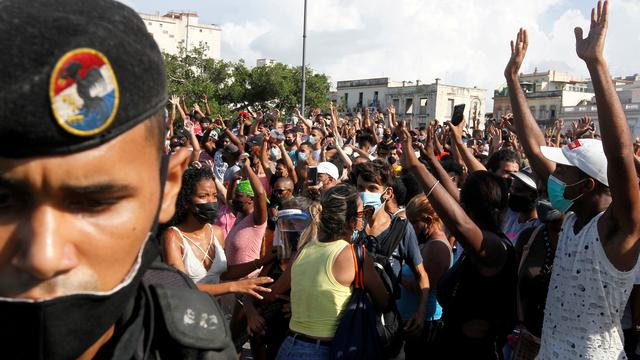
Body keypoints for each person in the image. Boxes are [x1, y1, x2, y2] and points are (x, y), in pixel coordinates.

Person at [0, 0, 237, 358]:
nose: (44, 256)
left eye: (96, 203)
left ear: (168, 187)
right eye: (3, 202)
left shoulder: (191, 345)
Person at [504, 2, 640, 357]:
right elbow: (535, 149)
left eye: (564, 170)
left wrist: (596, 63)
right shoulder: (570, 220)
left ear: (588, 185)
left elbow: (621, 156)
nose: (552, 175)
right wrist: (513, 81)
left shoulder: (619, 230)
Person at [402, 127, 517, 359]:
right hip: (452, 344)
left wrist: (417, 167)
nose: (458, 203)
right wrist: (432, 161)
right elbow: (455, 199)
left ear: (470, 207)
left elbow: (459, 223)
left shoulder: (493, 247)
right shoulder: (484, 235)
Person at [276, 185, 388, 359]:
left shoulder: (304, 249)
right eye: (361, 213)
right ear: (352, 221)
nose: (363, 218)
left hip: (289, 346)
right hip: (324, 351)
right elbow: (383, 300)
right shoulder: (354, 254)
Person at [163, 166, 276, 298]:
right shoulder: (173, 236)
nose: (211, 201)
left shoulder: (216, 232)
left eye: (214, 196)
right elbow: (180, 286)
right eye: (203, 196)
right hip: (190, 314)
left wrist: (260, 262)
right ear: (186, 202)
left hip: (218, 311)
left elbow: (225, 273)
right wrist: (234, 286)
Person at [401, 194, 452, 359]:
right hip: (412, 320)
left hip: (424, 323)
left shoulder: (437, 247)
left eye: (414, 223)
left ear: (429, 220)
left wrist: (391, 273)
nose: (410, 227)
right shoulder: (428, 242)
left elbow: (421, 287)